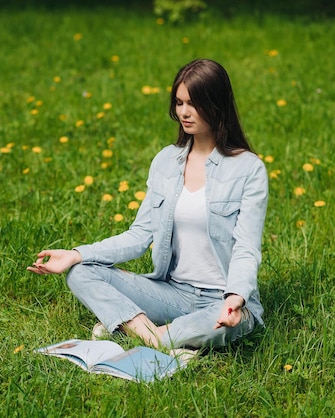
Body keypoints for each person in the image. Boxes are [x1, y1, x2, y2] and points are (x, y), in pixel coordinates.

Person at [27, 58, 268, 352]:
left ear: (217, 104)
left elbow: (246, 247)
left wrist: (235, 298)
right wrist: (76, 254)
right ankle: (158, 338)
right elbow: (139, 235)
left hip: (222, 301)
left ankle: (134, 329)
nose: (184, 112)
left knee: (217, 325)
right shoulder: (166, 161)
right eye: (179, 103)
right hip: (173, 292)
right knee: (81, 272)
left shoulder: (248, 168)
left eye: (193, 103)